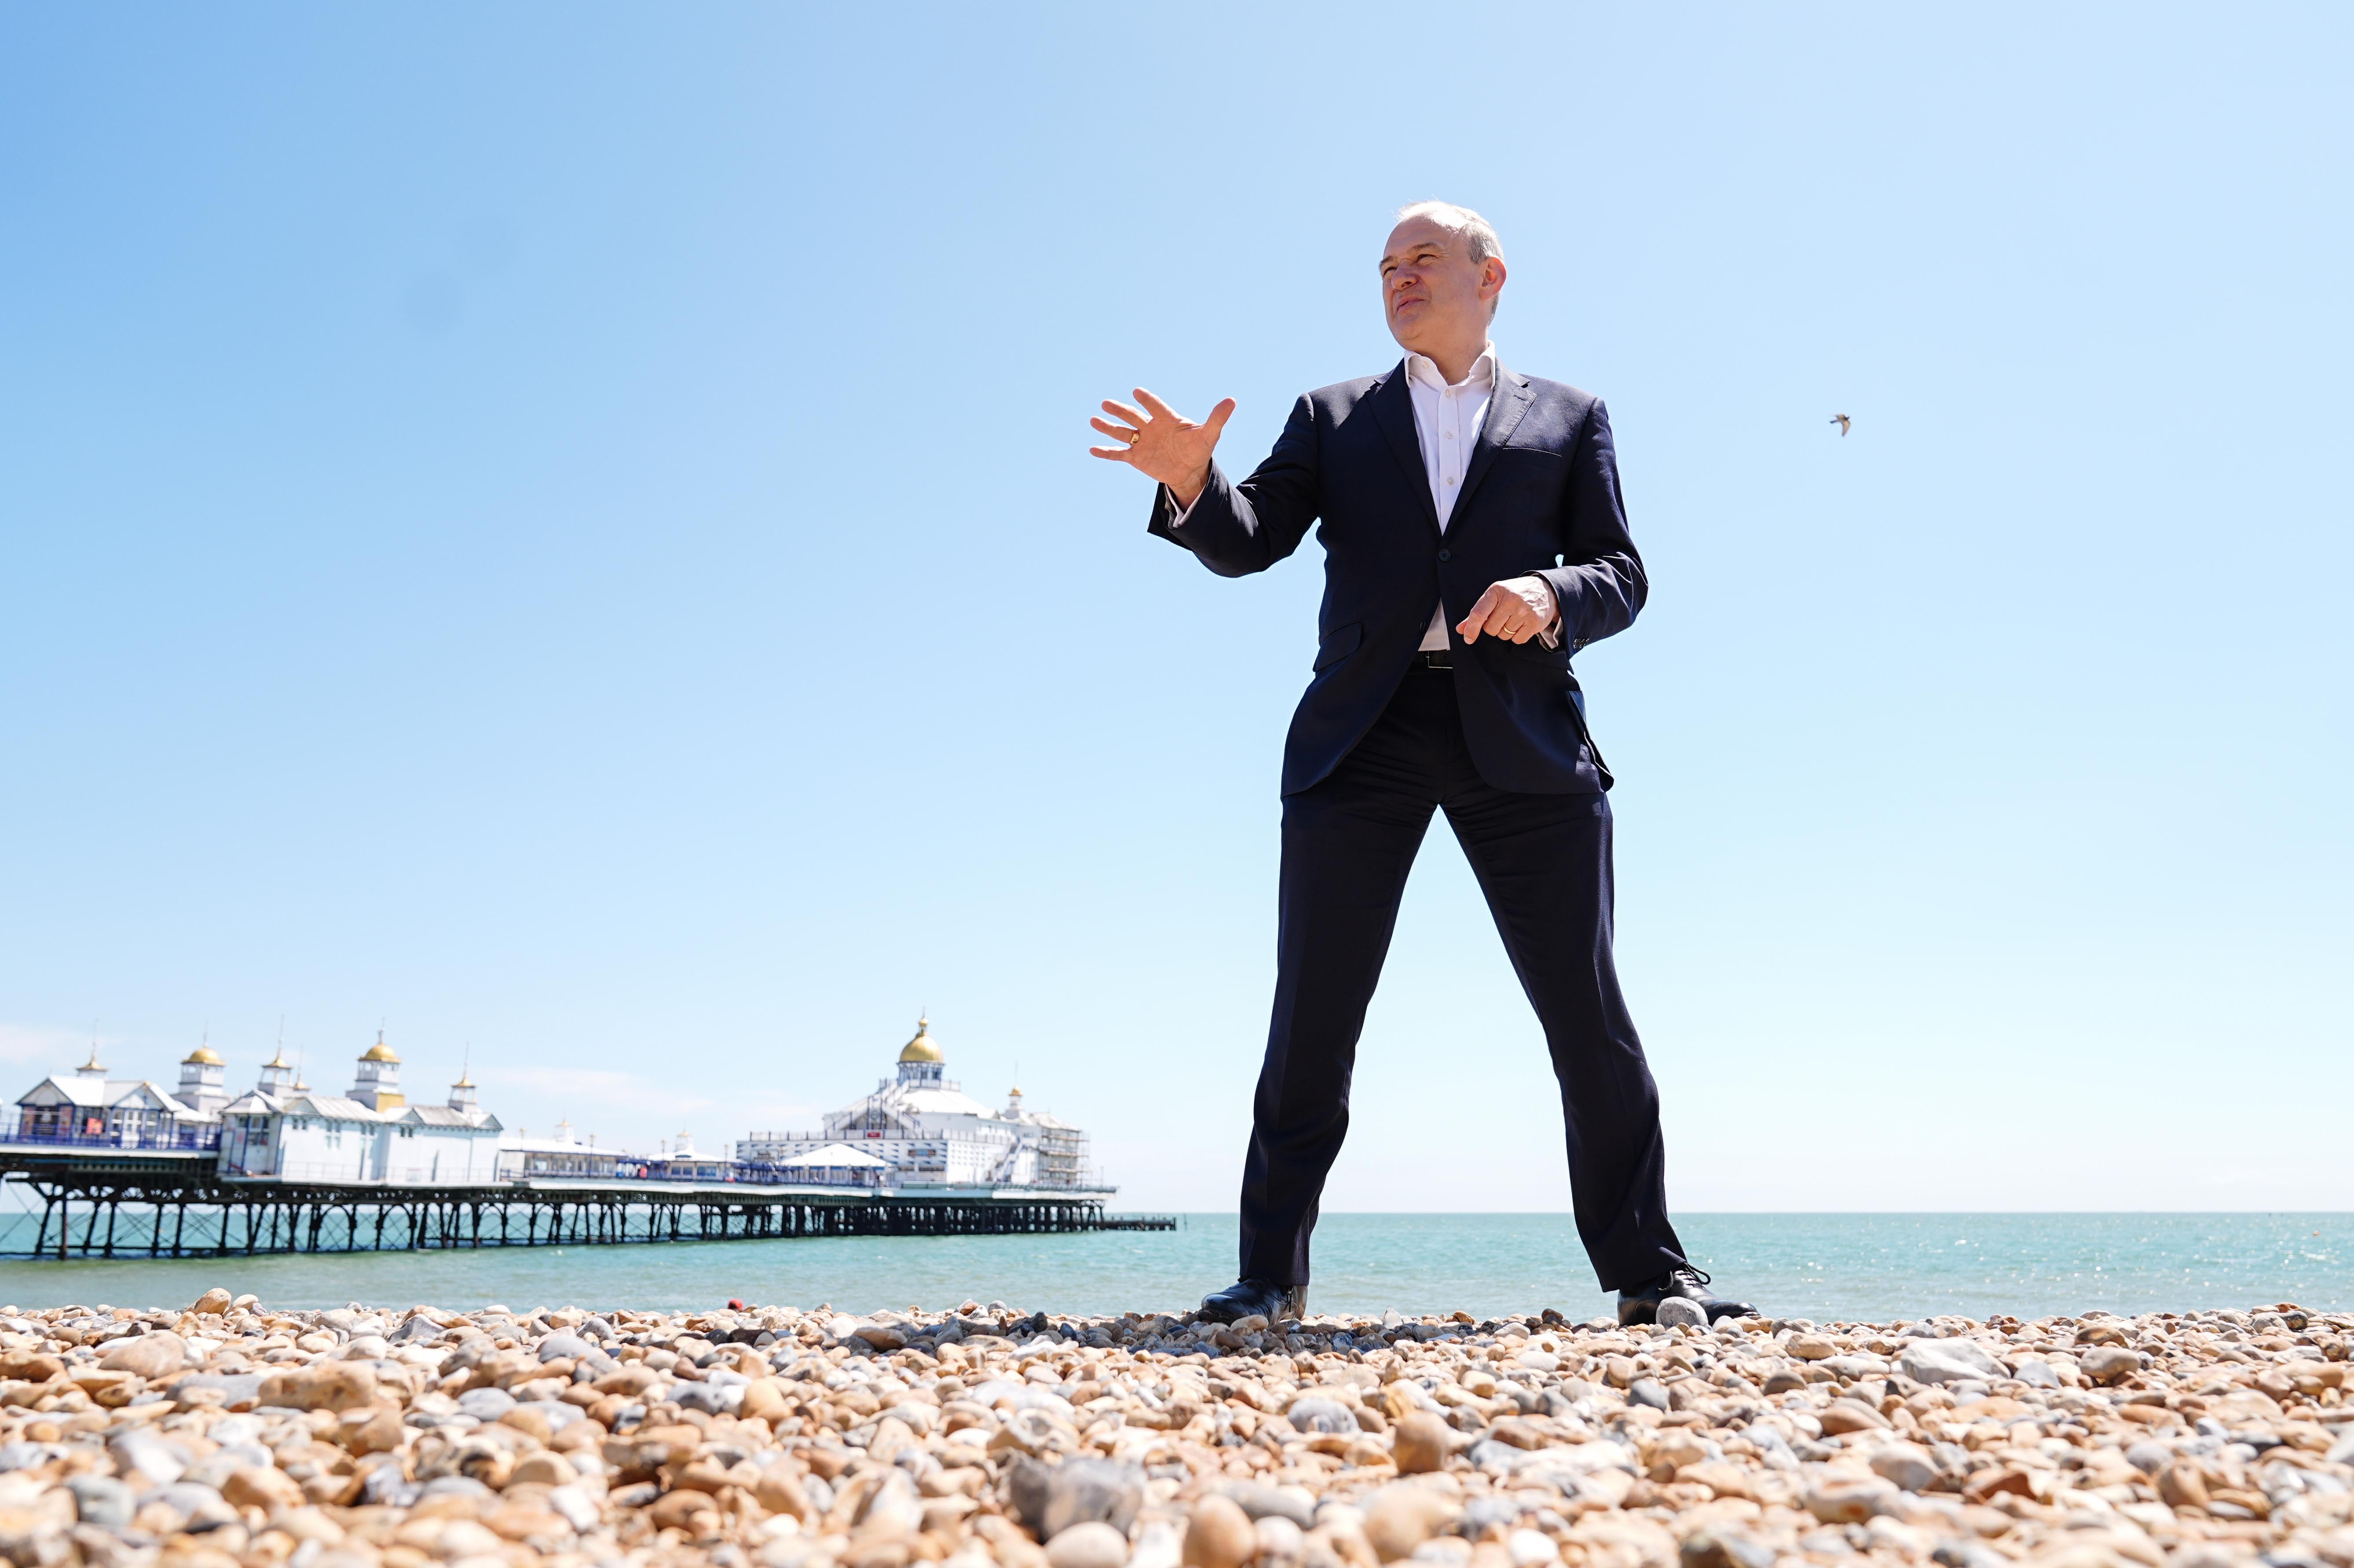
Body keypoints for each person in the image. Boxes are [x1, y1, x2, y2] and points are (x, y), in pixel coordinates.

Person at [1088, 202, 1755, 1328]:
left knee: (1585, 1010)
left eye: (1423, 260)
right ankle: (1268, 1277)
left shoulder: (1574, 415)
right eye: (1386, 266)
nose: (1399, 278)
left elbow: (1622, 573)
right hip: (1365, 735)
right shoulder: (1332, 414)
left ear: (1491, 277)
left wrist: (1553, 594)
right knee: (1314, 1012)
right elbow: (1251, 541)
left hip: (1525, 734)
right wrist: (1195, 487)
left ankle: (1651, 1274)